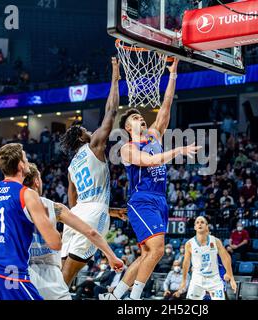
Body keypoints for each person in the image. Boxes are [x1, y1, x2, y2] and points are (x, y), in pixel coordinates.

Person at [0, 162, 125, 300]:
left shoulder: (6, 204)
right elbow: (90, 232)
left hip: (18, 273)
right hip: (50, 276)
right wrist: (111, 256)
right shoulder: (54, 207)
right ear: (36, 181)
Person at [101, 59, 201, 301]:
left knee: (147, 253)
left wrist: (173, 74)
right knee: (156, 250)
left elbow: (166, 107)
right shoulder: (126, 148)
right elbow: (150, 161)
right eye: (134, 118)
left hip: (159, 200)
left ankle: (115, 296)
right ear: (126, 126)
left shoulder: (154, 135)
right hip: (141, 200)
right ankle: (134, 298)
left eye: (140, 117)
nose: (140, 118)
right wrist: (177, 151)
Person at [0, 143, 61, 300]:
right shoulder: (26, 194)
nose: (27, 161)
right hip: (7, 271)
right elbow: (55, 243)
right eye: (25, 158)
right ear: (20, 165)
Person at [59, 57, 121, 285]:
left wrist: (111, 210)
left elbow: (74, 201)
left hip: (74, 218)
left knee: (61, 277)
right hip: (93, 214)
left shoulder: (71, 166)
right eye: (85, 129)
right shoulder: (93, 145)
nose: (89, 130)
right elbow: (111, 111)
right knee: (67, 279)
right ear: (80, 137)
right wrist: (115, 77)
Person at [177, 216, 236, 300]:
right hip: (197, 278)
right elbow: (186, 263)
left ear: (207, 226)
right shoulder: (189, 243)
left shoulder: (216, 241)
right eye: (197, 222)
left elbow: (226, 258)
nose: (199, 224)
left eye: (202, 222)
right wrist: (183, 280)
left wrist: (231, 276)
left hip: (214, 278)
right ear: (195, 227)